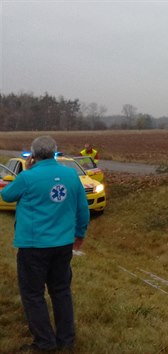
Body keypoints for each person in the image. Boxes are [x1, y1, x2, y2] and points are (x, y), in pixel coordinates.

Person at [1, 136, 90, 352]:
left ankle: (44, 342)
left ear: (33, 155)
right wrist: (79, 235)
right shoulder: (70, 175)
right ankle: (66, 340)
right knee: (61, 291)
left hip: (33, 247)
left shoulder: (28, 177)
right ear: (55, 153)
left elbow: (6, 194)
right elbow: (82, 209)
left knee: (33, 295)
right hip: (63, 245)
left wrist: (27, 171)